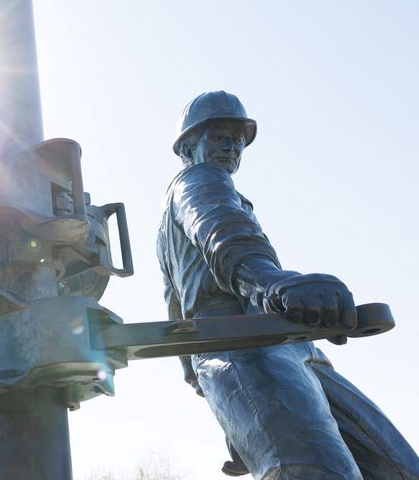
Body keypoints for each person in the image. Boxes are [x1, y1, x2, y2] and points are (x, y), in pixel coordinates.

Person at [156, 91, 419, 479]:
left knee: (399, 469)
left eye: (237, 139)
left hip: (290, 347)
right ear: (188, 146)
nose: (231, 146)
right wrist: (269, 282)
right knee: (314, 470)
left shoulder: (221, 199)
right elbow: (223, 233)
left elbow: (177, 311)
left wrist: (224, 403)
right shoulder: (198, 181)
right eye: (219, 137)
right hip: (241, 344)